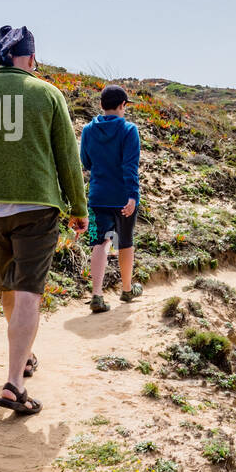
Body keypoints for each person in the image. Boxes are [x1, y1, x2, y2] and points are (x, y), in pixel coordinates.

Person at [0, 24, 89, 415]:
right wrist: (78, 207)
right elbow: (67, 157)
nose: (35, 64)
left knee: (9, 286)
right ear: (25, 57)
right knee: (28, 290)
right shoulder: (47, 94)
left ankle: (22, 357)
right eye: (34, 58)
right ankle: (14, 383)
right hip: (37, 206)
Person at [79, 84, 143, 313]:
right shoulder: (129, 130)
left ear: (101, 105)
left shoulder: (88, 129)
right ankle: (127, 290)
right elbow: (130, 167)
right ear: (123, 105)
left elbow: (85, 162)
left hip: (97, 197)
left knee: (99, 242)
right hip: (123, 198)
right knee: (125, 241)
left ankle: (96, 295)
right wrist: (133, 195)